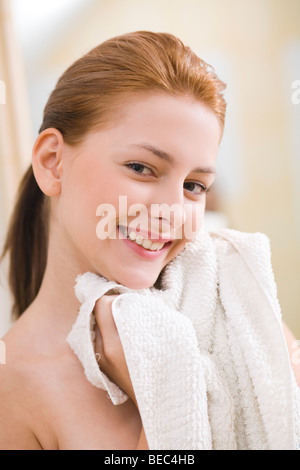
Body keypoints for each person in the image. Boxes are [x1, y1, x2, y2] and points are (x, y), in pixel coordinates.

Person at [0, 31, 299, 450]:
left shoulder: (236, 314)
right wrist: (164, 396)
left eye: (195, 186)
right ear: (53, 163)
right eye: (141, 167)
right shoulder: (12, 390)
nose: (172, 211)